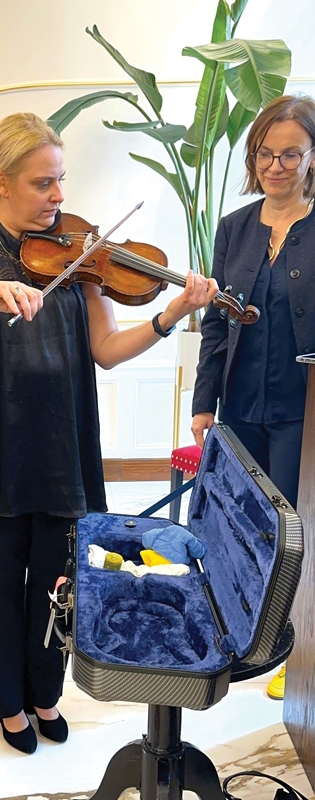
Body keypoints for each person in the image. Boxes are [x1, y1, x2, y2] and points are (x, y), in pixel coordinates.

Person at [0, 111, 219, 755]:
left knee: (57, 581)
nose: (59, 198)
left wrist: (171, 313)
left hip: (63, 443)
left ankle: (45, 694)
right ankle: (8, 705)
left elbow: (105, 348)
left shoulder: (79, 248)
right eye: (44, 184)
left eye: (60, 181)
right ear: (2, 181)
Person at [191, 95, 315, 702]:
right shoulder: (234, 228)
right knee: (242, 520)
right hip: (240, 403)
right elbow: (218, 324)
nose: (276, 165)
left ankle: (295, 646)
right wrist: (203, 402)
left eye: (290, 153)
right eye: (266, 153)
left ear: (311, 155)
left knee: (292, 527)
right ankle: (245, 631)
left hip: (302, 411)